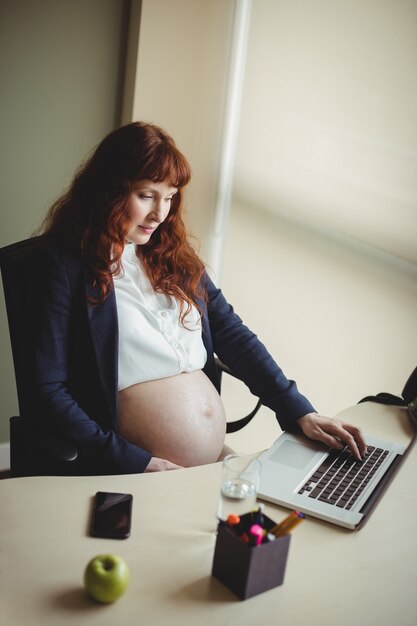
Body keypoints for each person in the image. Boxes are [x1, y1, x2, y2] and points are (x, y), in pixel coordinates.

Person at [27, 121, 366, 475]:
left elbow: (232, 333)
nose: (160, 214)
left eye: (170, 197)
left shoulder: (170, 255)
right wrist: (135, 461)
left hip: (208, 463)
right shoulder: (64, 269)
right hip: (135, 470)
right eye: (146, 196)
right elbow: (46, 391)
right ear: (108, 191)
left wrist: (298, 410)